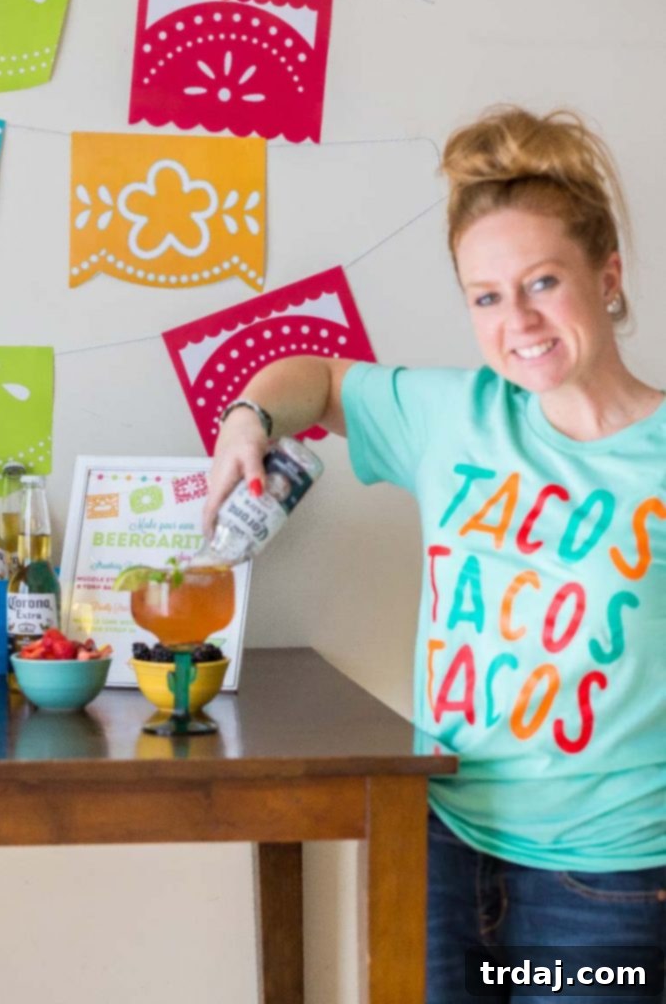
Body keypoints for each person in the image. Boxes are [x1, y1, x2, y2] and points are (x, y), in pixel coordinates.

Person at [203, 106, 666, 1003]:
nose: (517, 321)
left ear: (606, 277)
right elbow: (315, 376)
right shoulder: (453, 417)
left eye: (542, 282)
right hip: (441, 843)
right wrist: (246, 420)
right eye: (485, 297)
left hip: (608, 882)